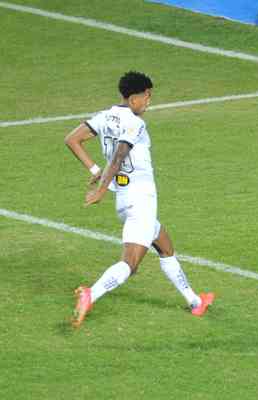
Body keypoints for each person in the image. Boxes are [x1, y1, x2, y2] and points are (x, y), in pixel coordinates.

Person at [64, 71, 214, 328]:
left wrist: (95, 171)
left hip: (125, 200)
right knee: (129, 264)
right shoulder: (135, 123)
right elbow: (121, 154)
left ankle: (195, 301)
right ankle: (91, 294)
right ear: (134, 98)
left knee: (164, 244)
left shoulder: (104, 116)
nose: (148, 102)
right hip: (141, 199)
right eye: (147, 97)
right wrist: (100, 188)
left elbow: (72, 139)